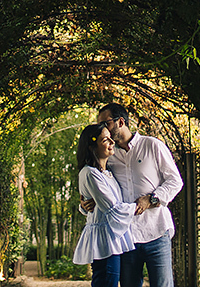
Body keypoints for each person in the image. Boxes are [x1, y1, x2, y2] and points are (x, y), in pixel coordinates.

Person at [87, 103, 184, 287]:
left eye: (105, 124)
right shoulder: (108, 155)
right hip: (126, 236)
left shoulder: (152, 145)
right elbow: (101, 185)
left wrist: (152, 199)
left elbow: (175, 181)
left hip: (156, 231)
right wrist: (89, 202)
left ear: (120, 122)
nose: (102, 130)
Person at [72, 123, 136, 287]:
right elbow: (112, 209)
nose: (112, 143)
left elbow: (104, 203)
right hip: (104, 241)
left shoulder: (106, 173)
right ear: (92, 146)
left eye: (110, 139)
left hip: (111, 239)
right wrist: (140, 205)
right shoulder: (90, 173)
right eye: (105, 140)